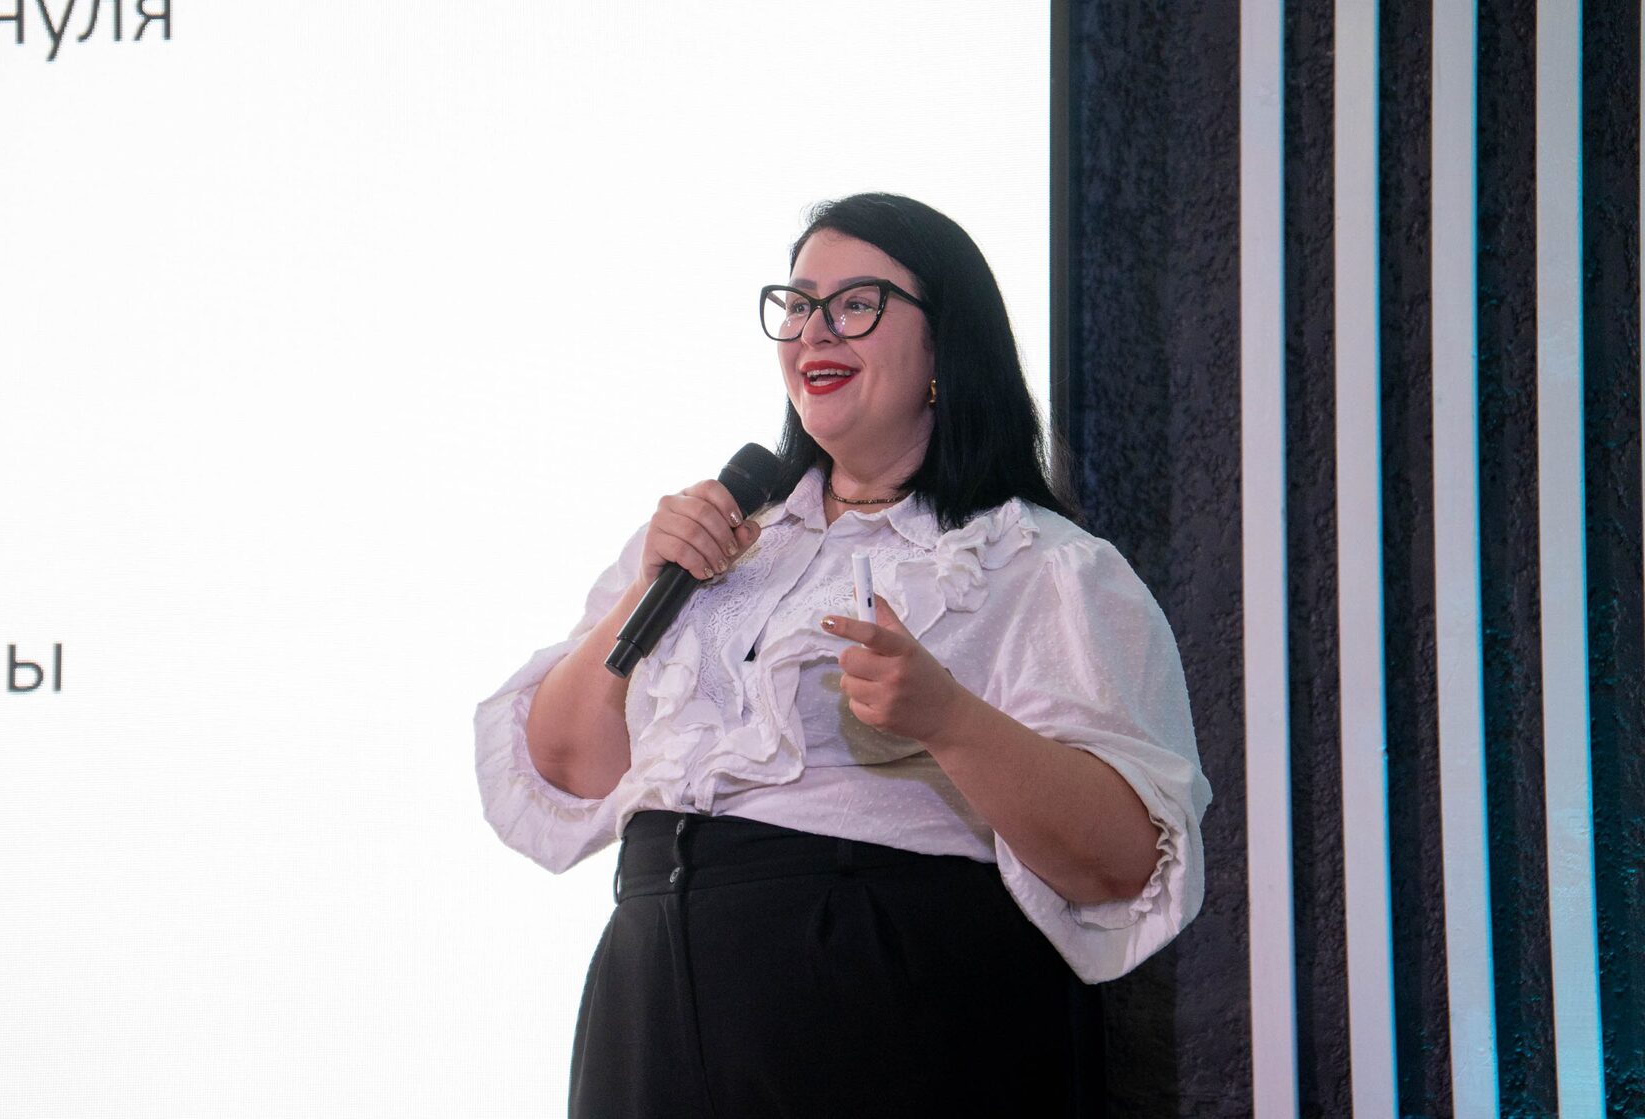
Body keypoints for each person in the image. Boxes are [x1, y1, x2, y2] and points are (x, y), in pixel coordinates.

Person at [476, 193, 1210, 1118]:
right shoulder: (715, 533)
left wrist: (949, 720)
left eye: (857, 303)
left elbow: (1125, 864)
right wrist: (647, 586)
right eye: (797, 304)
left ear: (946, 343)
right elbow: (567, 767)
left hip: (878, 999)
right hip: (648, 998)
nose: (814, 330)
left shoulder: (1038, 564)